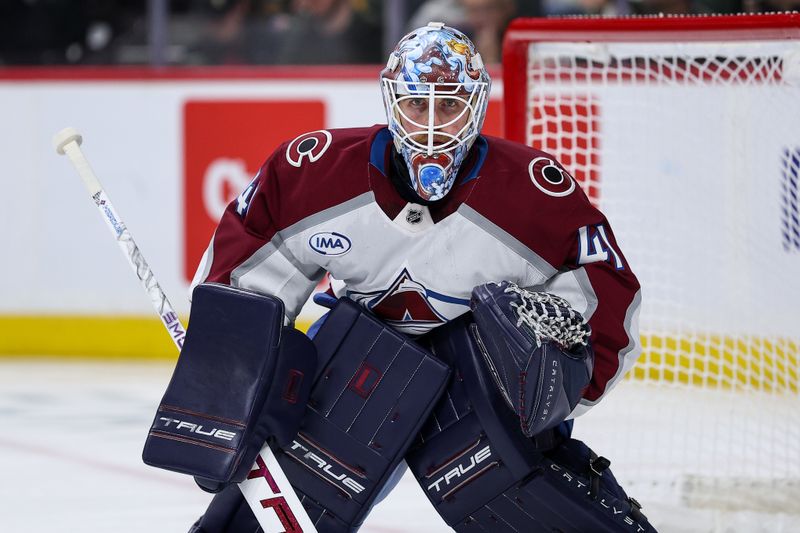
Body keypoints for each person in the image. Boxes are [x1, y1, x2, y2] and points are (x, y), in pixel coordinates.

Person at [185, 22, 650, 532]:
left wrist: (559, 385)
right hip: (358, 374)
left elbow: (606, 295)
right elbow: (242, 281)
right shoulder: (314, 174)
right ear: (391, 102)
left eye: (449, 105)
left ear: (475, 106)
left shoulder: (532, 195)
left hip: (480, 378)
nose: (430, 125)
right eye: (415, 104)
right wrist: (233, 391)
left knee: (525, 491)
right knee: (271, 502)